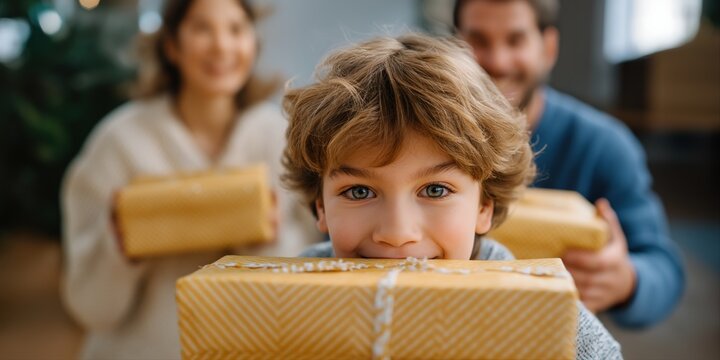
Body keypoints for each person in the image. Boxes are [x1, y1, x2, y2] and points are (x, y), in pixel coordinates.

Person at [284, 33, 622, 359]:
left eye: (435, 190)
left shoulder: (530, 303)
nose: (398, 233)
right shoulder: (287, 297)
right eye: (359, 191)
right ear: (320, 205)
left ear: (484, 205)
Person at [60, 0, 319, 358]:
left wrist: (270, 240)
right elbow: (89, 308)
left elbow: (310, 286)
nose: (222, 46)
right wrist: (119, 246)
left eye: (236, 29)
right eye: (202, 29)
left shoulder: (280, 138)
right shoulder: (118, 142)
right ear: (171, 45)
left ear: (253, 42)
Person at [452, 0, 684, 328]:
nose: (498, 61)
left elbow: (665, 268)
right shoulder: (426, 142)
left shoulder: (604, 145)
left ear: (548, 48)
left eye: (515, 40)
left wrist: (625, 280)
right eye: (479, 40)